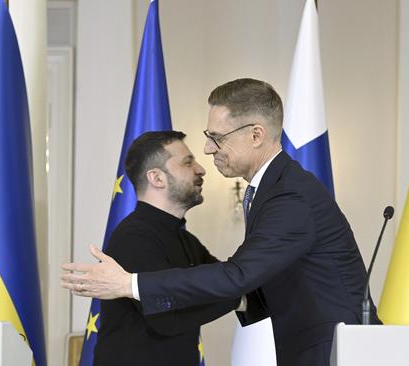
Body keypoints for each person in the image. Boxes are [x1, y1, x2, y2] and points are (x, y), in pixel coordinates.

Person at [63, 78, 380, 366]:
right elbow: (241, 282)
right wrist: (239, 297)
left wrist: (127, 283)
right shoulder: (272, 189)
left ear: (256, 135)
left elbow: (238, 275)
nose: (207, 150)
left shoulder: (289, 196)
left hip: (333, 352)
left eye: (217, 138)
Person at [92, 131, 245, 366]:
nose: (200, 169)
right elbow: (169, 319)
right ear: (157, 178)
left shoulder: (185, 239)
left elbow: (225, 280)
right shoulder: (134, 238)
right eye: (187, 162)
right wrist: (238, 299)